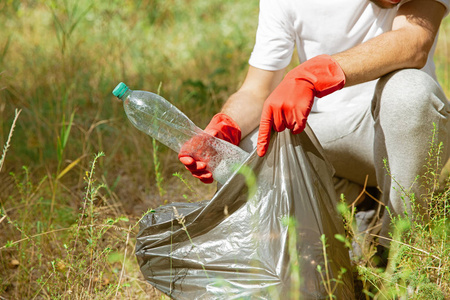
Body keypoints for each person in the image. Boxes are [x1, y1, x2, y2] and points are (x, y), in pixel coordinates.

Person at [178, 0, 450, 249]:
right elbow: (257, 90)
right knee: (243, 152)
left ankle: (403, 253)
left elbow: (414, 42)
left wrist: (317, 73)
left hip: (400, 137)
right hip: (329, 134)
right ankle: (359, 205)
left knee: (412, 93)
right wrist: (227, 125)